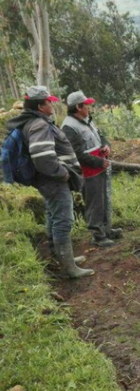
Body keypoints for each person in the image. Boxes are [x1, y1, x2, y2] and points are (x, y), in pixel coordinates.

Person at [5, 86, 93, 278]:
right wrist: (62, 173)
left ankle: (60, 256)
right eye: (48, 102)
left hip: (48, 180)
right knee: (64, 219)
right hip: (52, 180)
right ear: (40, 105)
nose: (52, 104)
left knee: (53, 215)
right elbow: (43, 157)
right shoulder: (39, 125)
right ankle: (69, 268)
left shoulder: (35, 122)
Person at [62, 90, 121, 247]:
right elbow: (76, 154)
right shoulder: (69, 127)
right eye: (86, 105)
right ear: (78, 107)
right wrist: (97, 162)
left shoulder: (88, 120)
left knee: (103, 200)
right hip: (88, 172)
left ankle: (106, 230)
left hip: (100, 168)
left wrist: (106, 146)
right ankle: (98, 235)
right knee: (94, 202)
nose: (89, 107)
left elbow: (100, 136)